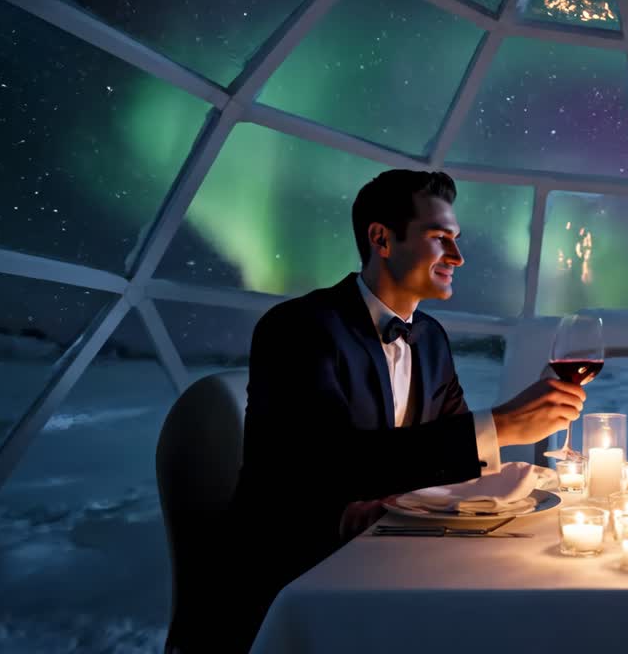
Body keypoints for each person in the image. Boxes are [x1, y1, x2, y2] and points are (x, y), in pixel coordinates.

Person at [218, 169, 585, 652]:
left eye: (455, 239)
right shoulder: (299, 329)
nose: (458, 256)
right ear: (382, 239)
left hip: (395, 553)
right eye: (439, 239)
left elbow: (446, 459)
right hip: (300, 575)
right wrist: (503, 425)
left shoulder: (430, 338)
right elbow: (329, 466)